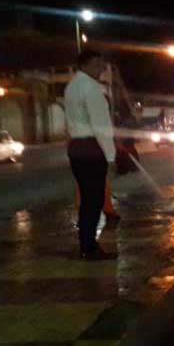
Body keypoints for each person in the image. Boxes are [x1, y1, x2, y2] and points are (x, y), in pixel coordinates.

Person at [65, 50, 117, 260]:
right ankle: (89, 246)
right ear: (85, 65)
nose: (102, 68)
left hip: (76, 147)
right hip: (91, 147)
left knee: (87, 198)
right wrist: (111, 157)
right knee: (94, 199)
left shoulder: (71, 86)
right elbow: (101, 125)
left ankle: (86, 243)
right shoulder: (91, 88)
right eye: (97, 64)